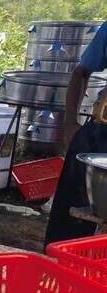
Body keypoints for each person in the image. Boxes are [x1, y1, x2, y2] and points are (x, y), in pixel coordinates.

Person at [44, 21, 107, 248]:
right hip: (101, 132)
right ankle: (58, 263)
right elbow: (81, 72)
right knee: (71, 211)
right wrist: (70, 122)